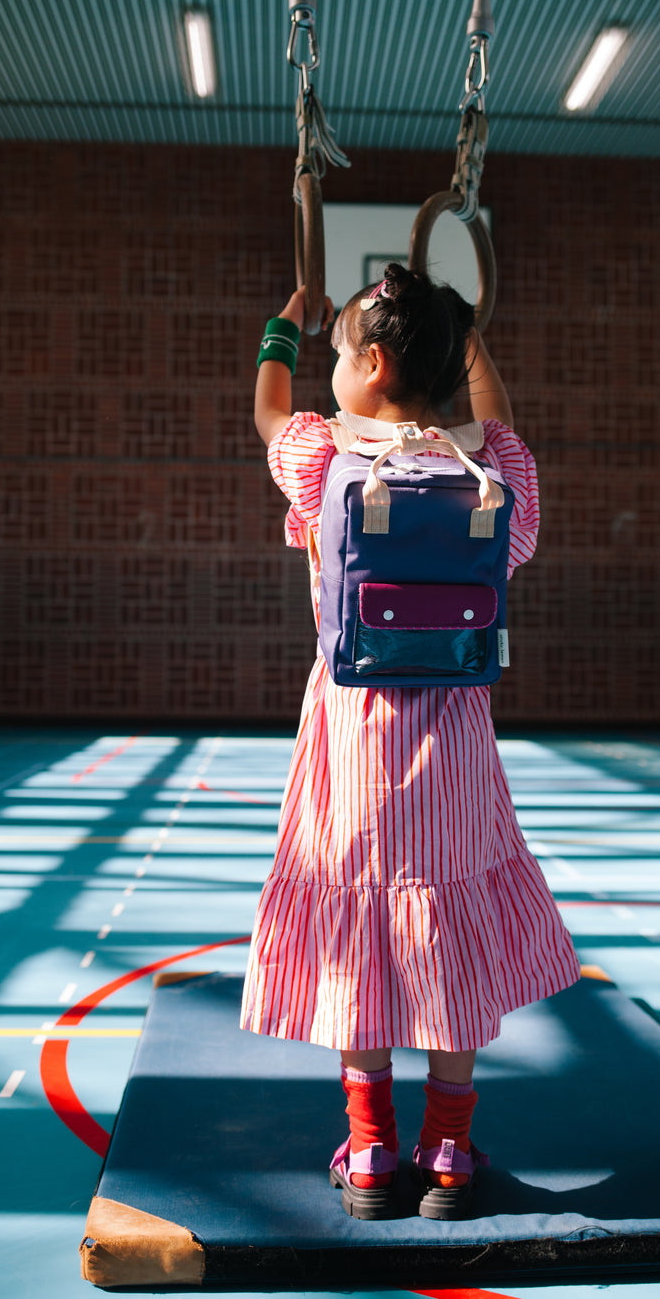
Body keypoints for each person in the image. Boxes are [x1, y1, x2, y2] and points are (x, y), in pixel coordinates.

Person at [240, 263, 580, 1221]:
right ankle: (453, 1152)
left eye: (339, 353)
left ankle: (371, 1147)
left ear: (375, 362)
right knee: (448, 938)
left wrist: (281, 326)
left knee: (361, 937)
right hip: (456, 743)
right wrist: (465, 334)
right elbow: (502, 424)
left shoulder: (322, 460)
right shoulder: (494, 475)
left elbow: (270, 411)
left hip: (354, 739)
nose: (328, 368)